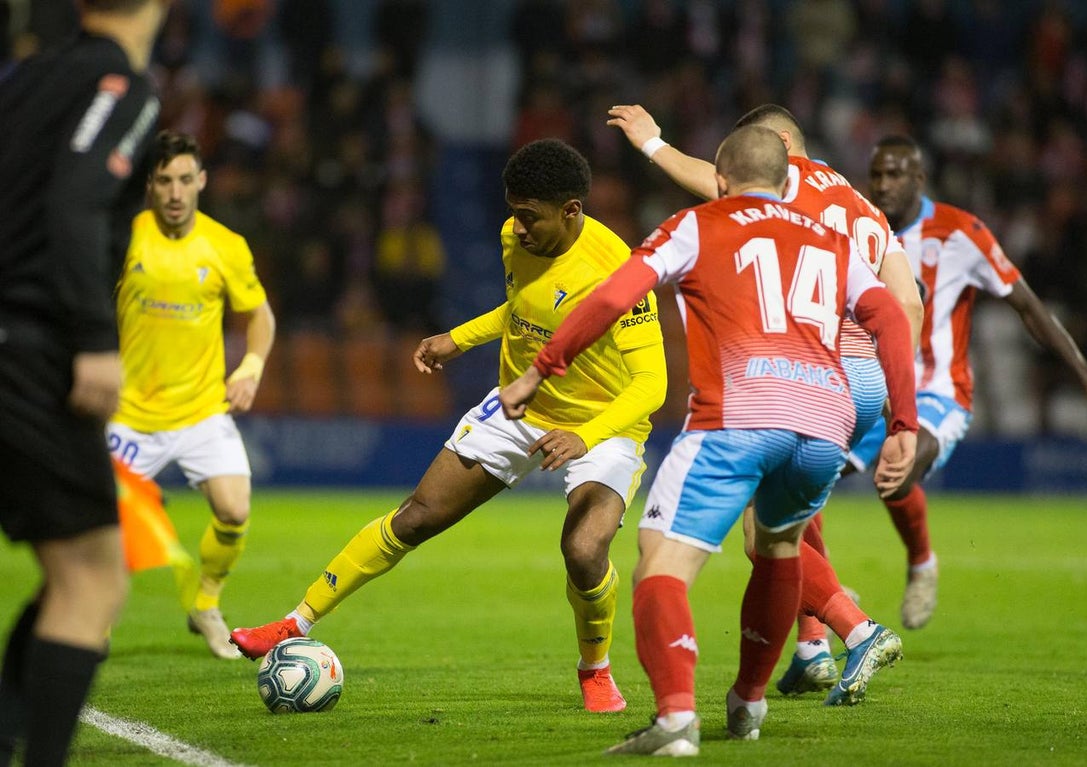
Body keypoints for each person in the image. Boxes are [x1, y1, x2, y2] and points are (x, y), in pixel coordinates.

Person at [500, 126, 919, 756]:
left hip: (740, 415)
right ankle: (748, 702)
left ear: (720, 180)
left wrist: (542, 368)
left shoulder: (697, 225)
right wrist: (904, 424)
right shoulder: (831, 238)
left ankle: (675, 719)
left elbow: (615, 294)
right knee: (779, 548)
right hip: (824, 420)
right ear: (787, 182)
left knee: (659, 563)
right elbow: (889, 314)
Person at [231, 138, 668, 713]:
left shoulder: (622, 273)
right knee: (416, 516)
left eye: (529, 216)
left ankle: (596, 669)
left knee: (584, 550)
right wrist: (459, 339)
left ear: (571, 210)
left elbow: (652, 384)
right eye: (513, 213)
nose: (517, 228)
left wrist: (584, 436)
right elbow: (527, 308)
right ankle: (295, 622)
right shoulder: (517, 237)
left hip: (602, 424)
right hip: (520, 406)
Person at [607, 102, 923, 699]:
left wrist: (652, 143)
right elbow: (906, 303)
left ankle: (859, 631)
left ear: (778, 142)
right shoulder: (865, 207)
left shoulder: (785, 180)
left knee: (763, 536)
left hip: (808, 370)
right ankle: (811, 646)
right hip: (867, 377)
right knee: (794, 512)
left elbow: (716, 187)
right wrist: (896, 393)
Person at [846, 135, 1087, 629]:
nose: (882, 185)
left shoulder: (961, 233)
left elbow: (1028, 306)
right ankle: (822, 599)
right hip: (874, 384)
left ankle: (922, 563)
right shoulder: (858, 228)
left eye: (894, 174)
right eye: (876, 175)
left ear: (919, 179)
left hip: (939, 391)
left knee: (896, 470)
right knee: (804, 472)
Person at [0, 1, 168, 764]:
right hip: (32, 349)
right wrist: (96, 341)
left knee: (67, 573)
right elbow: (76, 202)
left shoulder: (26, 77)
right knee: (93, 578)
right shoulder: (120, 85)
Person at [105, 129, 276, 660]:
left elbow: (261, 317)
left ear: (201, 180)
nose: (176, 192)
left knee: (234, 510)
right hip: (129, 414)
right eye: (164, 181)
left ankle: (205, 604)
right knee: (102, 529)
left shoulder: (225, 245)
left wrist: (250, 368)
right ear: (150, 186)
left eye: (184, 179)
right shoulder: (123, 238)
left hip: (202, 410)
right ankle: (92, 616)